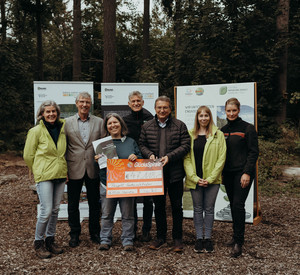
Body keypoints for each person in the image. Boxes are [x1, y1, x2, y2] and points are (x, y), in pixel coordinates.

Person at [139, 96, 190, 252]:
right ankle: (161, 237)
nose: (162, 110)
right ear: (155, 108)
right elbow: (141, 144)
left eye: (165, 107)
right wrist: (149, 155)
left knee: (176, 207)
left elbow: (186, 145)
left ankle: (177, 239)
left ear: (170, 109)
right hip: (155, 175)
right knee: (159, 207)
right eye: (159, 107)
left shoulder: (179, 125)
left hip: (174, 173)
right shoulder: (147, 126)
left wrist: (170, 156)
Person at [23, 101, 67, 259]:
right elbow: (28, 155)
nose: (51, 114)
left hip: (60, 174)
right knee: (46, 211)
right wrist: (36, 170)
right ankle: (38, 242)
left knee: (55, 210)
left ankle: (50, 240)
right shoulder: (35, 131)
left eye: (54, 111)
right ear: (42, 114)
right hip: (45, 175)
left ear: (57, 113)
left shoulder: (62, 129)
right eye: (47, 112)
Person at [184, 106, 226, 253]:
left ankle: (207, 238)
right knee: (197, 209)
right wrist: (195, 178)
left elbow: (222, 158)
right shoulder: (190, 134)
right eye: (200, 116)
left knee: (209, 209)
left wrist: (211, 178)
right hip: (195, 180)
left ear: (210, 117)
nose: (203, 118)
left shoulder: (218, 135)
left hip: (212, 180)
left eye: (206, 116)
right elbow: (187, 158)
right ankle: (198, 238)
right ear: (197, 118)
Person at [98, 113, 142, 251]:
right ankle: (105, 240)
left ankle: (128, 240)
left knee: (128, 215)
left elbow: (140, 159)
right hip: (107, 184)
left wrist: (136, 157)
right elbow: (100, 167)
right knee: (106, 215)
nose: (113, 125)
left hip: (126, 185)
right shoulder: (103, 144)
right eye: (110, 123)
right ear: (107, 127)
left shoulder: (130, 142)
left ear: (121, 124)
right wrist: (97, 160)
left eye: (115, 122)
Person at [64, 92, 103, 247]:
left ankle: (95, 233)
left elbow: (104, 146)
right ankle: (74, 234)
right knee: (73, 204)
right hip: (74, 168)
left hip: (93, 168)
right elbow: (64, 147)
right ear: (76, 103)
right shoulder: (66, 123)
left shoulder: (99, 122)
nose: (84, 105)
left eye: (87, 102)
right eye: (82, 102)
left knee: (95, 204)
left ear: (91, 104)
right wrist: (64, 170)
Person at [221, 98, 259, 258]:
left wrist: (247, 173)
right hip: (228, 173)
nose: (231, 113)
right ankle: (235, 235)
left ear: (239, 110)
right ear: (225, 111)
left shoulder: (248, 129)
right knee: (233, 205)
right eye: (228, 111)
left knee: (238, 205)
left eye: (233, 110)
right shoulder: (222, 130)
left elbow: (253, 152)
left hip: (242, 173)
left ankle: (238, 242)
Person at [123, 91, 154, 242]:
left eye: (138, 101)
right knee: (132, 199)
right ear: (129, 104)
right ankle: (133, 229)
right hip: (131, 163)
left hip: (147, 162)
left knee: (148, 199)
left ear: (142, 102)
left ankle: (146, 229)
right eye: (133, 101)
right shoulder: (125, 120)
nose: (136, 103)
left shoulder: (150, 118)